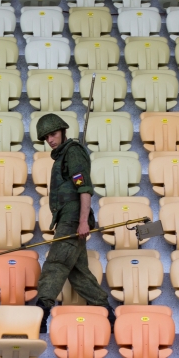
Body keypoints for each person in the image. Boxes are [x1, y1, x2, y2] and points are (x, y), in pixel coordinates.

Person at [33, 113, 116, 332]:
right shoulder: (62, 156)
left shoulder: (73, 152)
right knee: (79, 275)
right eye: (46, 137)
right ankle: (109, 314)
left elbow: (85, 189)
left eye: (53, 134)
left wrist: (82, 222)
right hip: (66, 220)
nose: (50, 139)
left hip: (71, 220)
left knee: (55, 265)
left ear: (62, 131)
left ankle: (41, 312)